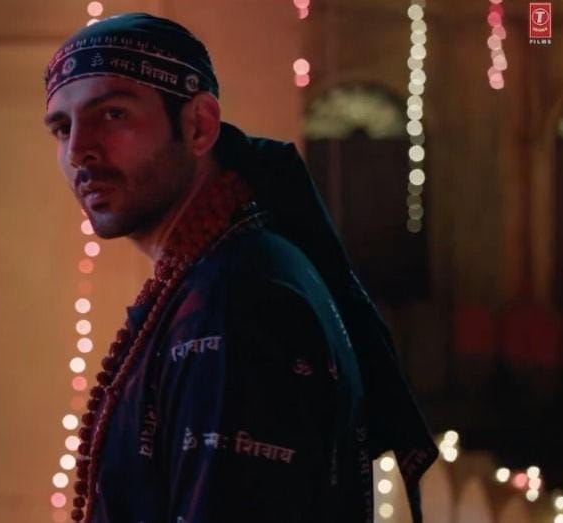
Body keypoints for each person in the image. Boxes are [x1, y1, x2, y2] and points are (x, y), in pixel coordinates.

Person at [42, 13, 437, 523]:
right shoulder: (217, 277)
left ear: (199, 125)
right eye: (62, 128)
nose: (79, 151)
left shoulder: (234, 304)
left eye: (113, 114)